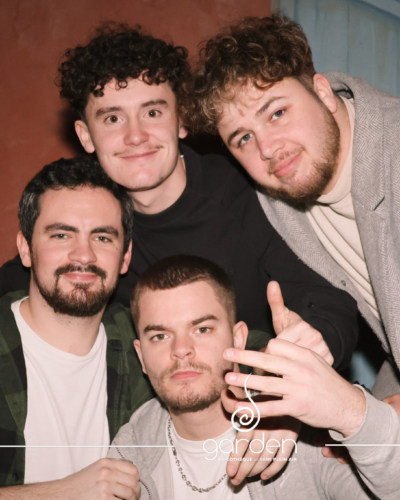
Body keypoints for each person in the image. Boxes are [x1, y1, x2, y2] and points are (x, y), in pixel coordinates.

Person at [188, 14, 400, 499]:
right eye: (243, 138)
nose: (268, 148)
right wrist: (327, 408)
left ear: (322, 91)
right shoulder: (281, 196)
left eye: (276, 112)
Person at [0, 23, 358, 372]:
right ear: (86, 136)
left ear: (181, 120)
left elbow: (327, 300)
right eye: (112, 119)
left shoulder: (244, 192)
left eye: (152, 113)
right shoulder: (95, 220)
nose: (136, 136)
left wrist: (314, 340)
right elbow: (25, 274)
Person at [108, 254, 400, 500]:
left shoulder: (305, 436)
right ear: (141, 356)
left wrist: (351, 412)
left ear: (238, 339)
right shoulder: (130, 451)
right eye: (160, 336)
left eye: (202, 329)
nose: (181, 350)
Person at [0, 156, 154, 497]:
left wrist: (265, 407)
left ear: (125, 257)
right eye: (61, 235)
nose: (83, 255)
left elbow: (223, 351)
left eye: (102, 238)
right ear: (25, 249)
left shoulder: (146, 343)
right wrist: (63, 492)